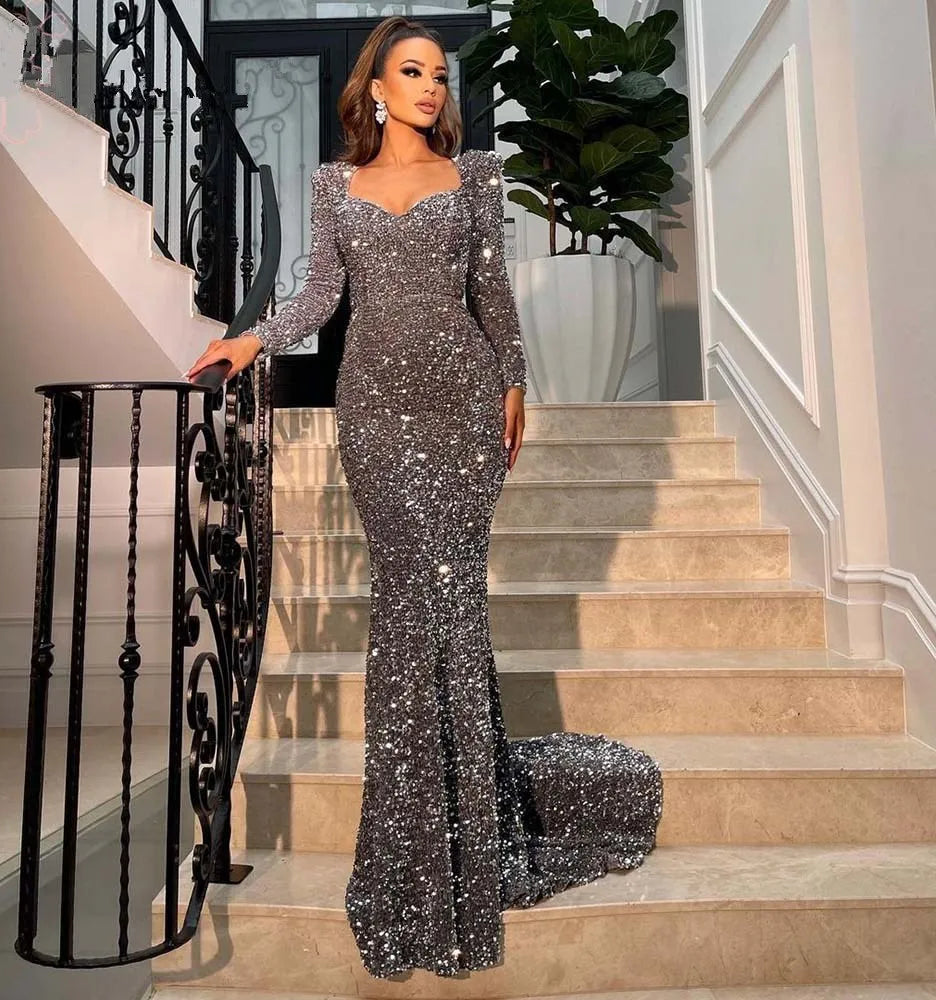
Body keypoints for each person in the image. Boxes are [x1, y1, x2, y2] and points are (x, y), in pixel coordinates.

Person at [185, 14, 663, 983]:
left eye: (439, 74)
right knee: (409, 610)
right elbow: (320, 296)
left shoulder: (474, 177)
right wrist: (252, 339)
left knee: (451, 608)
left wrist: (513, 383)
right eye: (412, 72)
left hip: (462, 407)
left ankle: (465, 837)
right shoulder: (334, 186)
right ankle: (414, 845)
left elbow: (493, 298)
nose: (432, 86)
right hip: (374, 411)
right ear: (375, 88)